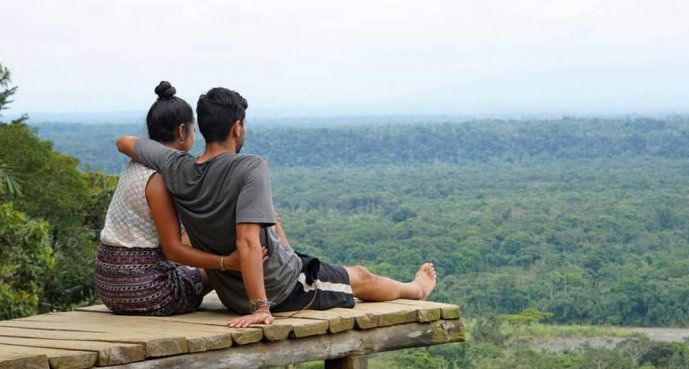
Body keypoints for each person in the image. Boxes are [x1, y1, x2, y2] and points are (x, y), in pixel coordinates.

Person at [116, 87, 437, 327]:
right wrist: (260, 307)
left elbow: (124, 142)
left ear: (202, 127)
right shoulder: (250, 167)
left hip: (231, 291)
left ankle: (409, 287)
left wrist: (160, 151)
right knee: (361, 277)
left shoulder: (178, 167)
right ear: (236, 128)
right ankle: (415, 291)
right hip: (282, 287)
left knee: (290, 242)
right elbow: (247, 241)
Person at [96, 81, 262, 316]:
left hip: (108, 285)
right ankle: (264, 300)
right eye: (194, 131)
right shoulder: (160, 179)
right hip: (147, 292)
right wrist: (228, 262)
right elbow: (173, 250)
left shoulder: (135, 166)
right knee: (225, 266)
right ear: (182, 131)